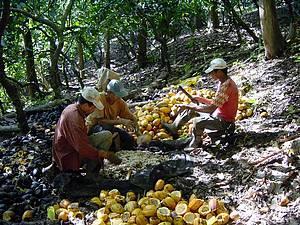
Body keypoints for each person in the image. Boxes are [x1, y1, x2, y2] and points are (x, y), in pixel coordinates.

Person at [163, 58, 239, 148]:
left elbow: (210, 109)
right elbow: (216, 103)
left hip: (225, 122)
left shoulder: (226, 87)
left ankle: (196, 142)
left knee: (197, 122)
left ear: (219, 72)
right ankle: (174, 127)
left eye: (212, 72)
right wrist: (200, 99)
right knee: (191, 109)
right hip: (217, 114)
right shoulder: (223, 82)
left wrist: (189, 106)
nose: (210, 75)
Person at [52, 87, 122, 178]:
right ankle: (90, 174)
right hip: (68, 154)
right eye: (93, 107)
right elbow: (81, 147)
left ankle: (94, 167)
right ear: (85, 105)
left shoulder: (74, 108)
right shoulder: (74, 118)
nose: (94, 110)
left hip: (74, 145)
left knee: (107, 135)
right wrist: (105, 154)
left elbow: (82, 136)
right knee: (98, 149)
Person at [86, 79, 139, 150]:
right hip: (95, 128)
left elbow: (130, 116)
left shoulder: (120, 102)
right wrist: (121, 121)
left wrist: (137, 129)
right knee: (109, 133)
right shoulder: (100, 99)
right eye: (116, 95)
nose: (118, 98)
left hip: (109, 127)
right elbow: (100, 121)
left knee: (129, 139)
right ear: (109, 93)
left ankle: (124, 155)